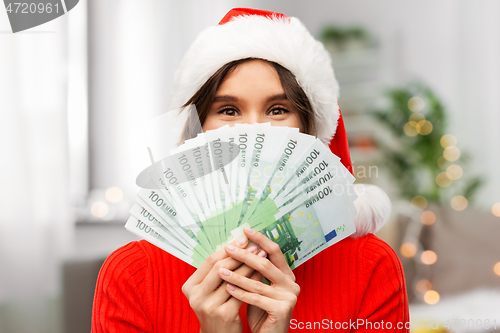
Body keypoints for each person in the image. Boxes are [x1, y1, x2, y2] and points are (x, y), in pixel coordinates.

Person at [92, 8, 409, 333]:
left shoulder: (371, 266)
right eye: (228, 110)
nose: (254, 131)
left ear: (309, 130)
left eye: (278, 109)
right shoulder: (130, 274)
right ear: (195, 131)